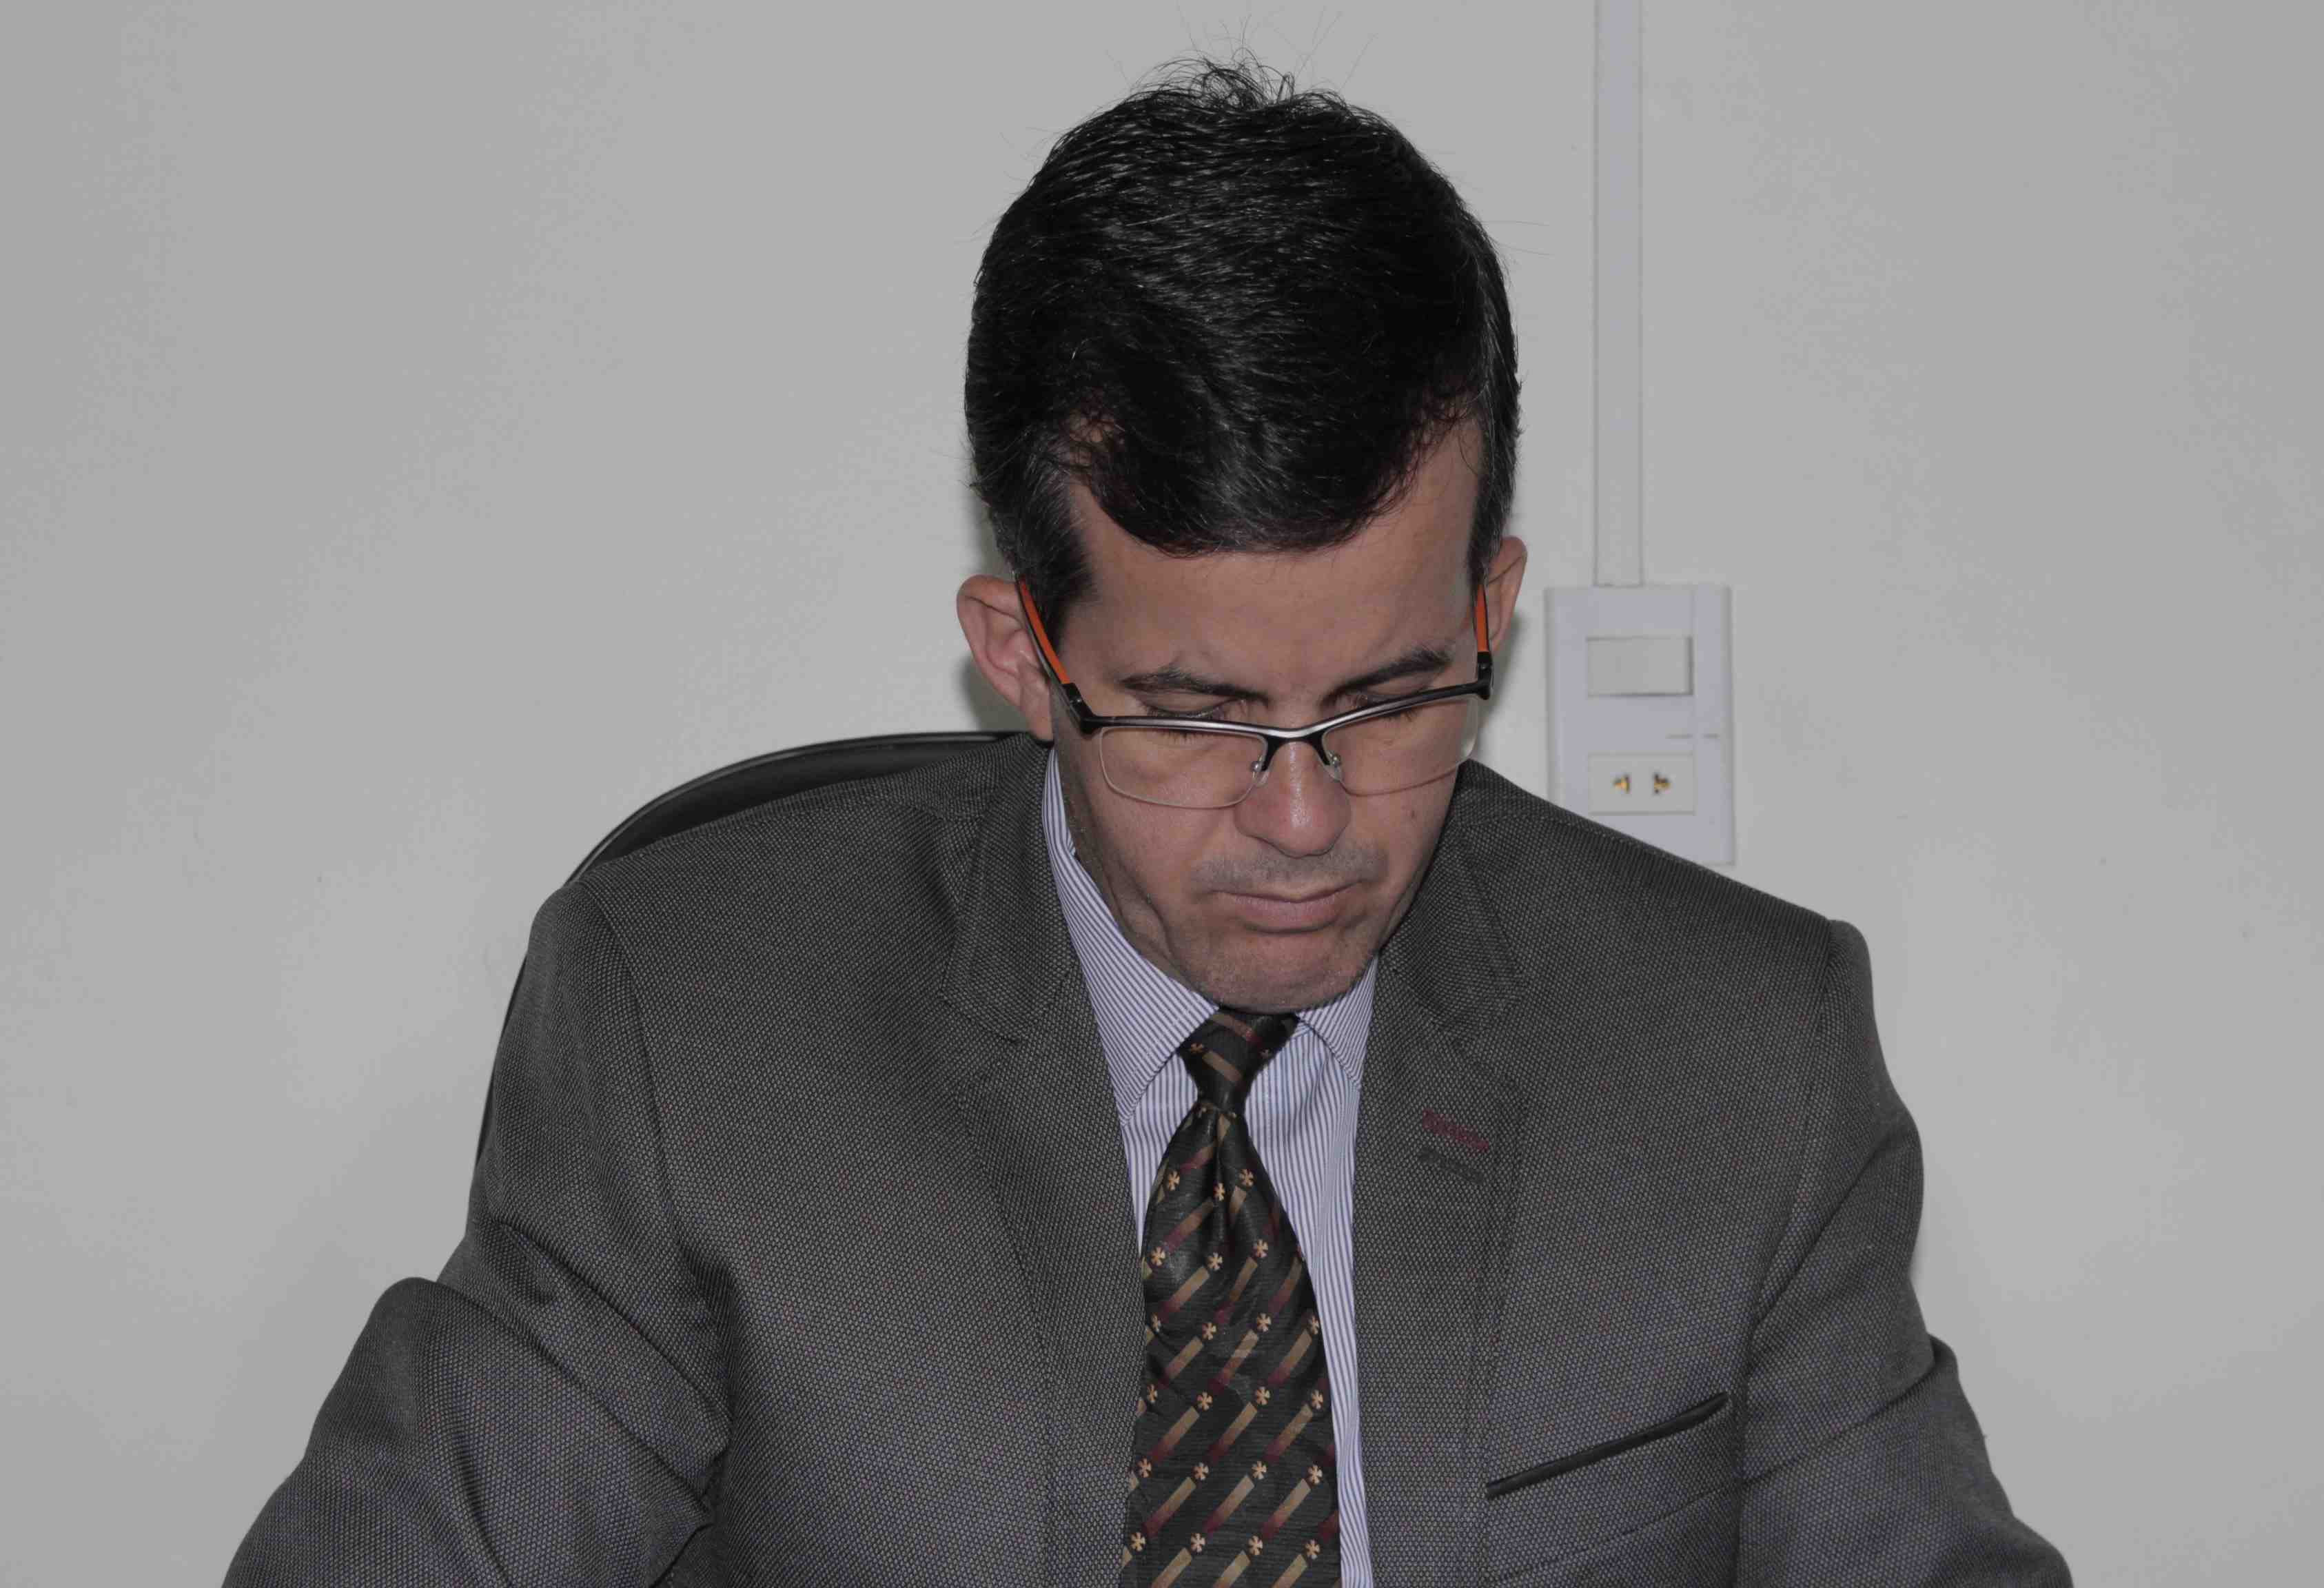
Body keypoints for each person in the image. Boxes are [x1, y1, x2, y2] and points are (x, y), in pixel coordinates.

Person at [227, 59, 2068, 1587]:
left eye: (1391, 698)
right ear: (1021, 653)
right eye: (1197, 719)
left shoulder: (1744, 1062)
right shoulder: (698, 1033)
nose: (1307, 821)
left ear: (1491, 610)